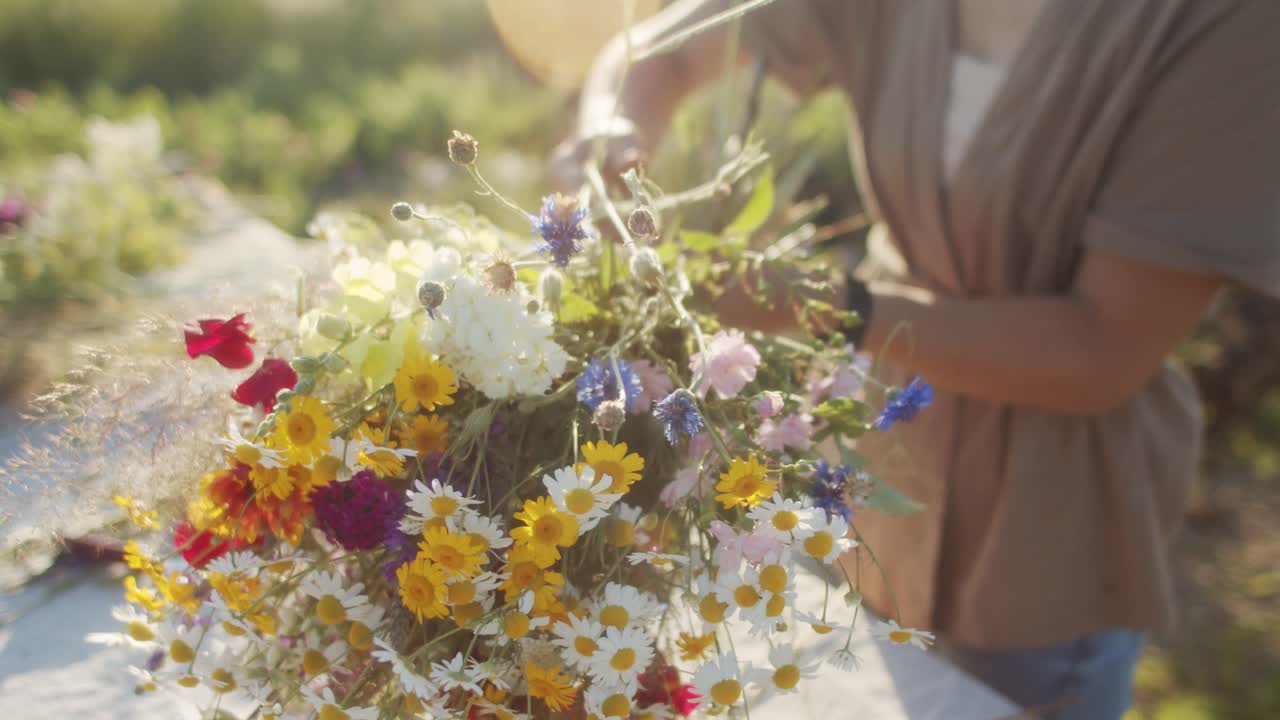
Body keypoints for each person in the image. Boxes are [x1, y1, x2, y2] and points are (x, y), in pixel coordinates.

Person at [552, 1, 1280, 718]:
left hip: (1043, 525)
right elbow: (664, 48)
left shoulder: (1223, 26)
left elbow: (1100, 353)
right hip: (879, 469)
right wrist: (611, 133)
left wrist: (827, 303)